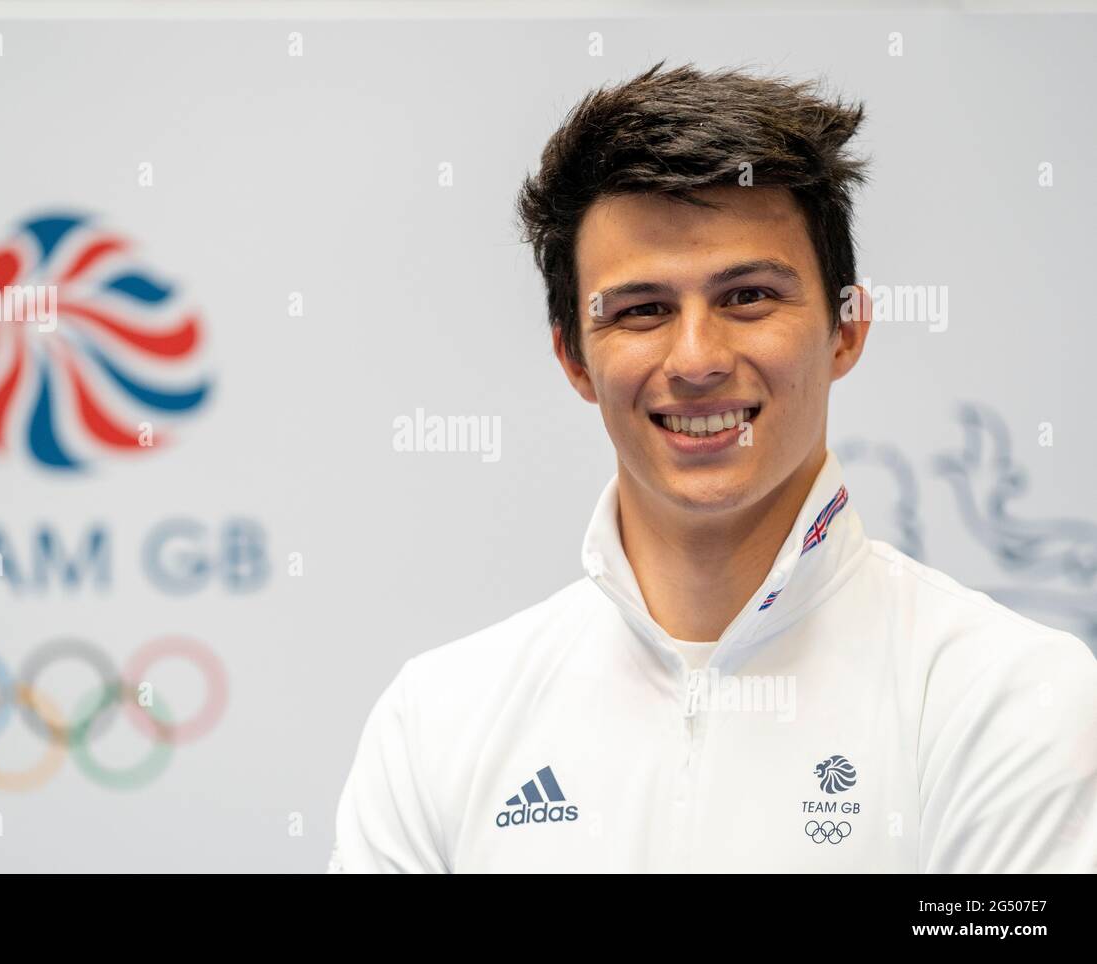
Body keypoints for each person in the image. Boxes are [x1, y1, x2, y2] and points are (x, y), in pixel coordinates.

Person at [329, 61, 1097, 873]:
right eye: (642, 311)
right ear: (575, 358)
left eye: (748, 297)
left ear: (846, 329)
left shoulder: (1007, 694)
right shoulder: (439, 718)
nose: (696, 359)